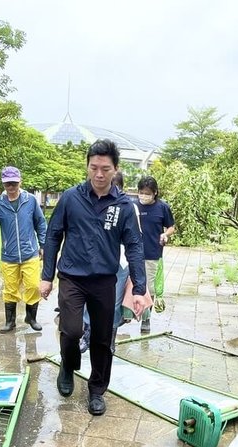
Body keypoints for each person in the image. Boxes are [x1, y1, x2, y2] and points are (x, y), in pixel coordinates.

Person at [40, 139, 148, 416]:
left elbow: (134, 245)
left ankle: (97, 390)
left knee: (102, 339)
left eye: (105, 169)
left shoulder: (123, 206)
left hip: (104, 281)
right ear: (87, 167)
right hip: (72, 277)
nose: (99, 175)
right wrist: (47, 276)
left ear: (116, 170)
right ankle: (68, 364)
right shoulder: (70, 198)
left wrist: (139, 286)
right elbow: (53, 236)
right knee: (72, 330)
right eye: (94, 168)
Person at [0, 166, 47, 333]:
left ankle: (31, 317)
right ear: (3, 185)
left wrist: (43, 245)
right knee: (10, 289)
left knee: (34, 286)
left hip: (30, 253)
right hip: (9, 255)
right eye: (8, 184)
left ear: (20, 182)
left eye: (14, 183)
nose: (11, 188)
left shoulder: (31, 200)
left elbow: (40, 223)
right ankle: (10, 321)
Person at [79, 170, 132, 354]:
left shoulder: (127, 207)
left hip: (119, 265)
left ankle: (110, 338)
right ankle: (87, 334)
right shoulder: (89, 205)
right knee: (88, 300)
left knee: (113, 304)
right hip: (92, 262)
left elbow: (135, 241)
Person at [134, 175, 175, 334]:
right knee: (132, 286)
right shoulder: (133, 207)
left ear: (155, 193)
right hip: (133, 254)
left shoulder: (162, 207)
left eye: (147, 193)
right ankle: (126, 315)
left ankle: (146, 318)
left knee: (149, 288)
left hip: (152, 252)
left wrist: (166, 235)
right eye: (141, 192)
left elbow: (171, 227)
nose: (143, 196)